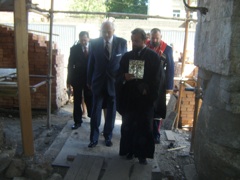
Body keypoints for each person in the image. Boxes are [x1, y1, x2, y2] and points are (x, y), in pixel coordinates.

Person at [116, 28, 163, 164]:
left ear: (144, 40)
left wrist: (147, 88)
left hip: (145, 100)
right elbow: (118, 76)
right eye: (132, 41)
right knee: (128, 126)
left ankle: (142, 155)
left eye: (137, 41)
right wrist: (124, 77)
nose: (134, 43)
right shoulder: (126, 57)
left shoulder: (153, 57)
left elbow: (158, 79)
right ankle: (129, 151)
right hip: (130, 99)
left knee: (144, 127)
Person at [87, 20, 127, 148]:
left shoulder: (122, 43)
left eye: (108, 32)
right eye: (103, 32)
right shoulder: (94, 43)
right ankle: (93, 138)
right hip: (98, 83)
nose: (106, 34)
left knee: (111, 113)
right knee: (95, 111)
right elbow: (90, 63)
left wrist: (122, 82)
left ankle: (108, 137)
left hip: (114, 84)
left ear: (113, 31)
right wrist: (89, 81)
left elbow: (124, 64)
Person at [146, 28, 174, 144]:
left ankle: (156, 134)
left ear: (161, 37)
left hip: (159, 84)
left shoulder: (167, 49)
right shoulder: (145, 46)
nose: (154, 40)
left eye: (157, 38)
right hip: (145, 83)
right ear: (150, 37)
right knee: (146, 108)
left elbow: (171, 69)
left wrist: (169, 86)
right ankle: (145, 132)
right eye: (153, 37)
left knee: (157, 110)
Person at [67, 31, 92, 130]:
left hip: (89, 79)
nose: (83, 42)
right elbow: (70, 65)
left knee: (90, 99)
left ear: (88, 39)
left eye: (85, 40)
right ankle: (77, 121)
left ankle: (92, 118)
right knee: (77, 100)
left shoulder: (94, 48)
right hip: (77, 79)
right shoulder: (74, 49)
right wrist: (68, 80)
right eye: (81, 40)